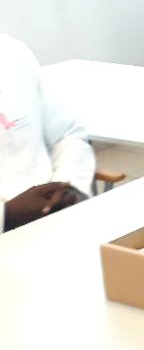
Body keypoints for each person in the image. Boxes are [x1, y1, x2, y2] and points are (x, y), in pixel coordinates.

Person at [0, 33, 94, 232]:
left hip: (55, 219)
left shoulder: (11, 52)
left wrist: (68, 187)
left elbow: (67, 134)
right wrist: (6, 217)